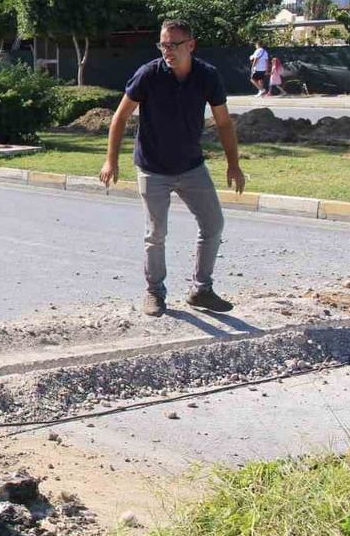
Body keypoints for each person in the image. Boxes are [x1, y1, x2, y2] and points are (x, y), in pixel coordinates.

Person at [100, 19, 245, 318]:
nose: (168, 51)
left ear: (190, 45)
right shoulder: (148, 75)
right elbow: (120, 117)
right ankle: (155, 292)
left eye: (174, 45)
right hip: (152, 168)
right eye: (163, 44)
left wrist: (234, 164)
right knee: (156, 233)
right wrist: (110, 160)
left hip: (191, 165)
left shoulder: (207, 76)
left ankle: (201, 290)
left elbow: (224, 122)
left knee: (213, 224)